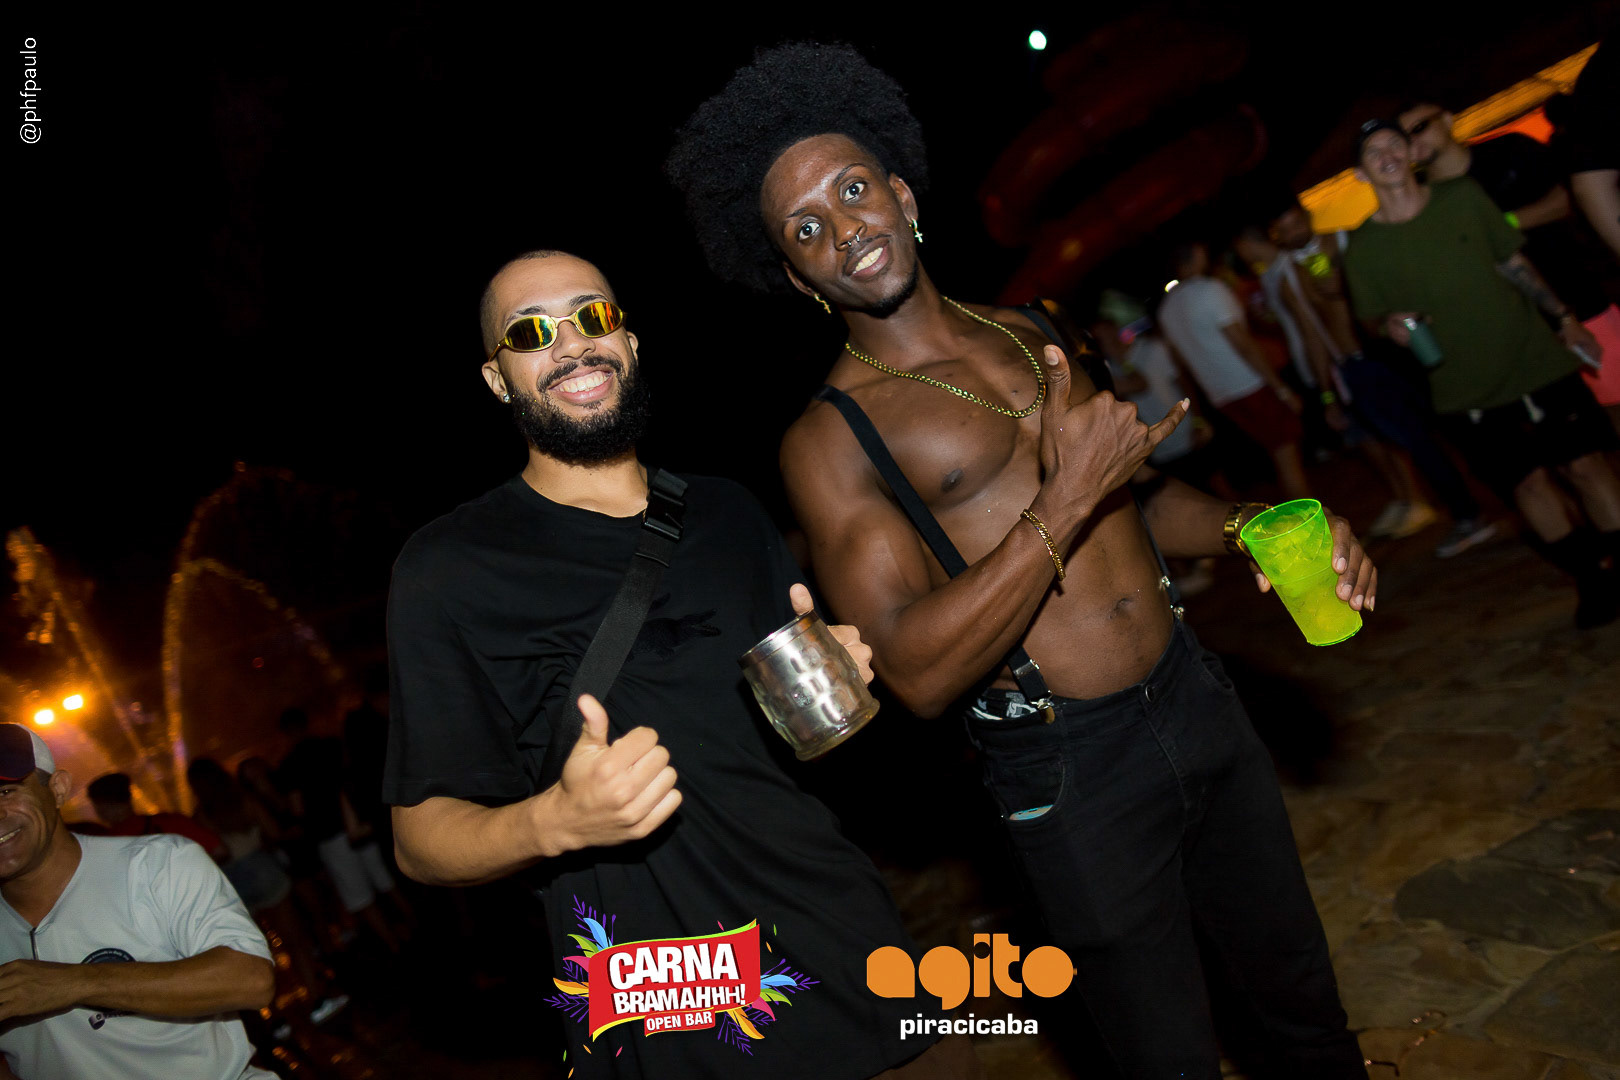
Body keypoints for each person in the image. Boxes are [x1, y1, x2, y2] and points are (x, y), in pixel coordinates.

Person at [668, 41, 1372, 1080]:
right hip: (1070, 768)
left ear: (903, 196)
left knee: (1302, 1005)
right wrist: (1067, 496)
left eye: (852, 190)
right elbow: (915, 670)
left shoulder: (1033, 328)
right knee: (1167, 1059)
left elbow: (1137, 498)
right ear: (795, 275)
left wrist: (1254, 523)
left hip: (1197, 698)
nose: (843, 230)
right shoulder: (830, 440)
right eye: (806, 229)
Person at [383, 250, 977, 1080]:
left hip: (834, 926)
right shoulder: (448, 568)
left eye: (592, 317)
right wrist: (555, 821)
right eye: (530, 333)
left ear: (628, 343)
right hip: (667, 987)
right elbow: (420, 842)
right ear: (496, 379)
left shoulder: (727, 511)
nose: (572, 344)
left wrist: (835, 682)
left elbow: (796, 746)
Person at [1342, 119, 1620, 628]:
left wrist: (1563, 318)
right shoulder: (1363, 248)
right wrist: (1388, 327)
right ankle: (1592, 578)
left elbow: (1513, 262)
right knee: (1528, 486)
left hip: (1533, 355)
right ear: (1361, 174)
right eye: (1372, 151)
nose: (1386, 153)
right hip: (1461, 385)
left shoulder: (1461, 197)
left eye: (1394, 143)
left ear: (1410, 153)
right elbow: (1370, 320)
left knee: (1585, 465)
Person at [0, 724, 275, 1080]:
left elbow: (251, 979)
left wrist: (76, 982)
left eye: (6, 791)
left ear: (57, 789)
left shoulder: (156, 863)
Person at [1266, 199, 1497, 558]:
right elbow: (1313, 336)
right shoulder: (1289, 280)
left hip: (1395, 351)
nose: (1294, 232)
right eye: (1284, 229)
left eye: (1296, 222)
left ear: (1307, 216)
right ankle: (1468, 514)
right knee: (1416, 443)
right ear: (1276, 236)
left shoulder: (1350, 242)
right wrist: (1328, 395)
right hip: (1357, 370)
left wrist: (1344, 282)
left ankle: (1507, 492)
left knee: (1456, 423)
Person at [1398, 97, 1620, 415]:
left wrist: (1503, 225)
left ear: (1446, 120)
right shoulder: (1419, 201)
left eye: (1420, 127)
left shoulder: (1509, 150)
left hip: (1577, 297)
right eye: (1403, 137)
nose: (1412, 141)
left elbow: (1566, 199)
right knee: (1575, 432)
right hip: (1515, 336)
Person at [1231, 225, 1446, 541]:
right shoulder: (1275, 276)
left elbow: (1324, 316)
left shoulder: (1301, 264)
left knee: (1388, 433)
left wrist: (1329, 377)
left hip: (1352, 360)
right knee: (1363, 438)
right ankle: (1404, 498)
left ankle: (1417, 499)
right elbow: (1298, 325)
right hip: (1326, 365)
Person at [186, 757, 349, 1028]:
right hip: (262, 870)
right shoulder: (243, 800)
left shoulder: (201, 817)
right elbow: (273, 831)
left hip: (232, 883)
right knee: (295, 940)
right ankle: (317, 998)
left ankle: (274, 1018)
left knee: (257, 951)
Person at [1159, 241, 1313, 500]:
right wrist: (1281, 388)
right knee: (1287, 457)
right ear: (1197, 253)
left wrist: (1199, 412)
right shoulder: (1209, 289)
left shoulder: (1166, 309)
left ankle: (1300, 515)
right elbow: (1243, 343)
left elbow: (1181, 365)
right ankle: (1312, 521)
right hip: (1251, 384)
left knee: (1276, 458)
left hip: (1220, 396)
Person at [276, 708, 403, 953]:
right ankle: (415, 927)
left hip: (329, 835)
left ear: (286, 733)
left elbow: (297, 808)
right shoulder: (332, 745)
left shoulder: (289, 765)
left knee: (361, 898)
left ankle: (395, 946)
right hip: (359, 823)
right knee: (386, 881)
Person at [85, 771, 228, 860]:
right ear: (129, 797)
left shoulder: (103, 847)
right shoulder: (172, 822)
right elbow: (219, 851)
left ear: (101, 806)